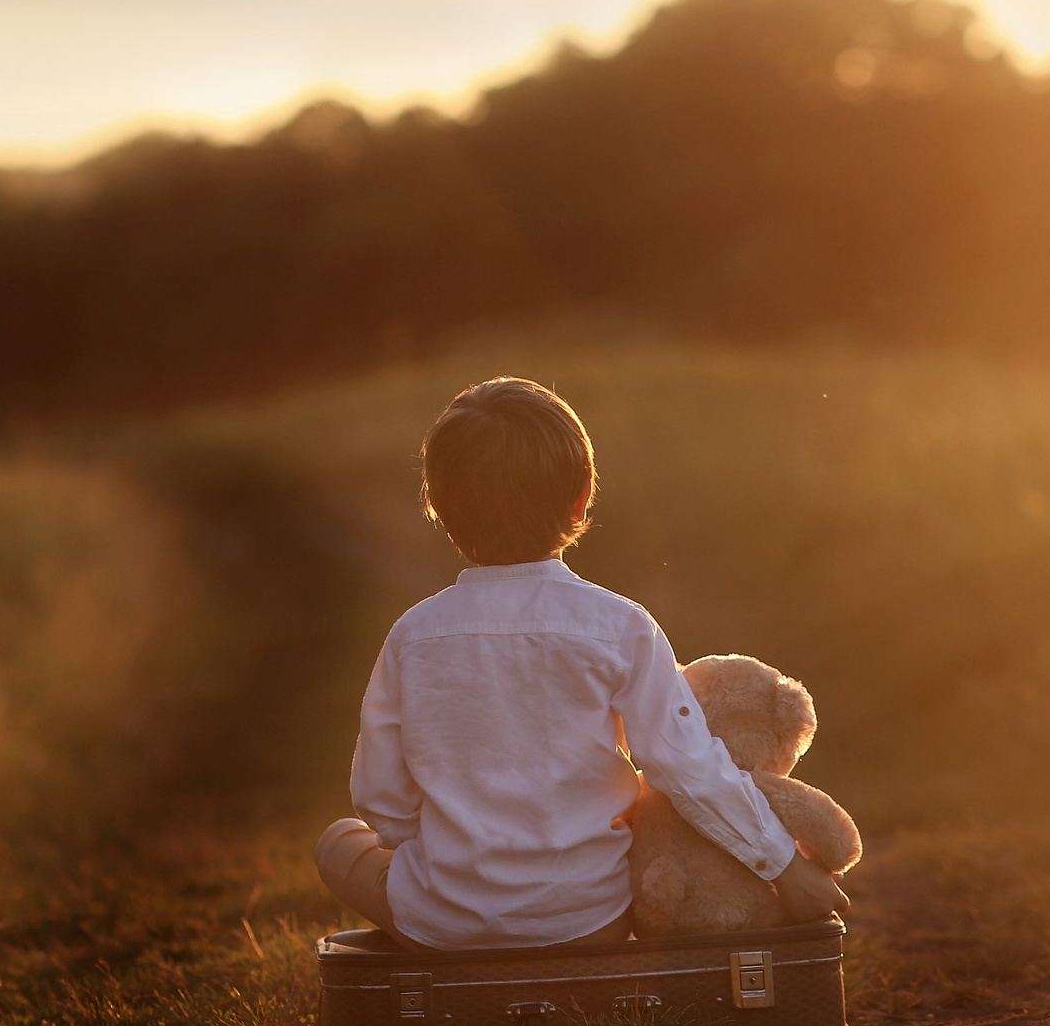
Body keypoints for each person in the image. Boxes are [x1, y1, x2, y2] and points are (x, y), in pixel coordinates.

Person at [313, 376, 850, 950]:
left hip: (445, 926)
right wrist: (783, 866)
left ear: (440, 510)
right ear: (580, 499)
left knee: (342, 840)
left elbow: (383, 803)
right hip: (591, 924)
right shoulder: (620, 626)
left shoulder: (412, 636)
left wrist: (461, 859)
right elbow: (688, 768)